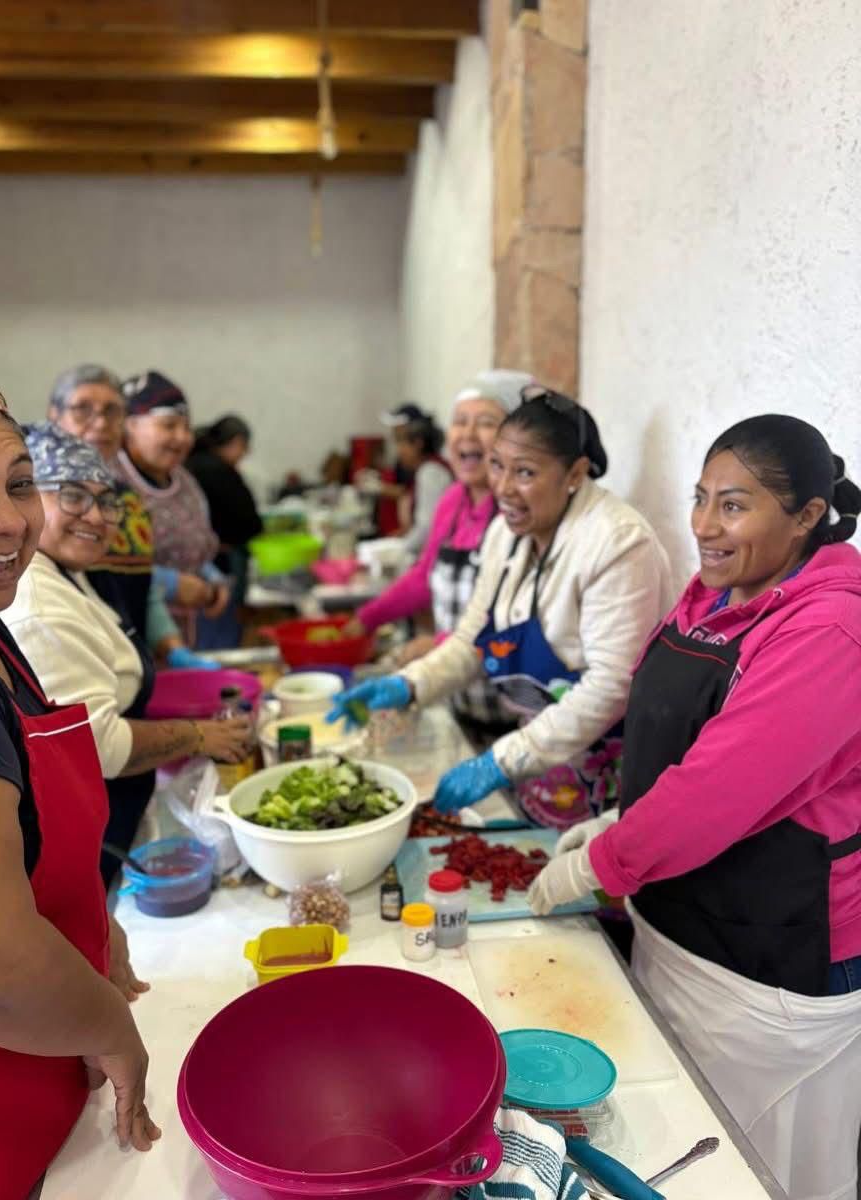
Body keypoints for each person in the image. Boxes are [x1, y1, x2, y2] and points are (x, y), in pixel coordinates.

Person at [529, 415, 861, 1200]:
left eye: (734, 506)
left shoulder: (831, 629)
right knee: (687, 1151)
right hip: (682, 920)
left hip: (770, 957)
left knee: (759, 1168)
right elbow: (680, 744)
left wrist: (601, 861)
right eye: (701, 498)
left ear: (808, 516)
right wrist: (621, 818)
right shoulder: (719, 592)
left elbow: (717, 791)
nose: (704, 526)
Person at [0, 359, 158, 1200]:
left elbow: (24, 829)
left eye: (19, 483)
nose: (11, 519)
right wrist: (111, 1027)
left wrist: (92, 923)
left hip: (39, 1075)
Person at [331, 388, 673, 829]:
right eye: (497, 466)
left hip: (613, 776)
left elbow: (612, 685)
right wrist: (411, 684)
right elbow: (474, 637)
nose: (504, 488)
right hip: (542, 765)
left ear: (575, 473)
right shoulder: (504, 534)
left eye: (525, 472)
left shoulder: (617, 542)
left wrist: (501, 760)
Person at [3, 424, 253, 885]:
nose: (97, 516)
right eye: (73, 496)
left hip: (116, 817)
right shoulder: (38, 605)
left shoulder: (66, 570)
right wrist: (199, 736)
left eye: (107, 501)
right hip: (88, 841)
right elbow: (100, 747)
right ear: (26, 499)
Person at [344, 370, 534, 731]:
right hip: (459, 701)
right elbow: (424, 577)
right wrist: (367, 617)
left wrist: (439, 645)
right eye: (460, 421)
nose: (468, 434)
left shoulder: (521, 514)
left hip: (516, 718)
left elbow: (522, 624)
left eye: (486, 423)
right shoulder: (452, 501)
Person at [47, 363, 223, 670]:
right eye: (83, 409)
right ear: (55, 416)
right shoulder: (40, 494)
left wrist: (172, 648)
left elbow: (137, 579)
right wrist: (171, 584)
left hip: (130, 658)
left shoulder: (126, 499)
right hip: (68, 657)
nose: (101, 422)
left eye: (112, 411)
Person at [116, 370, 229, 646]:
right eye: (169, 425)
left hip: (186, 633)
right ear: (130, 425)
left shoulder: (185, 481)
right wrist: (170, 584)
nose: (182, 437)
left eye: (186, 427)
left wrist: (213, 578)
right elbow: (101, 566)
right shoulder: (110, 482)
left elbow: (196, 548)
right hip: (132, 634)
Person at [187, 414, 264, 649]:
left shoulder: (192, 464)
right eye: (244, 448)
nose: (244, 455)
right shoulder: (218, 470)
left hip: (199, 562)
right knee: (220, 622)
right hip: (220, 557)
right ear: (236, 442)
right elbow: (248, 520)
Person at [361, 403, 453, 557]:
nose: (398, 450)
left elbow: (426, 529)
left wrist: (397, 550)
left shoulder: (430, 473)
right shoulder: (422, 469)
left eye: (400, 441)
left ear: (418, 443)